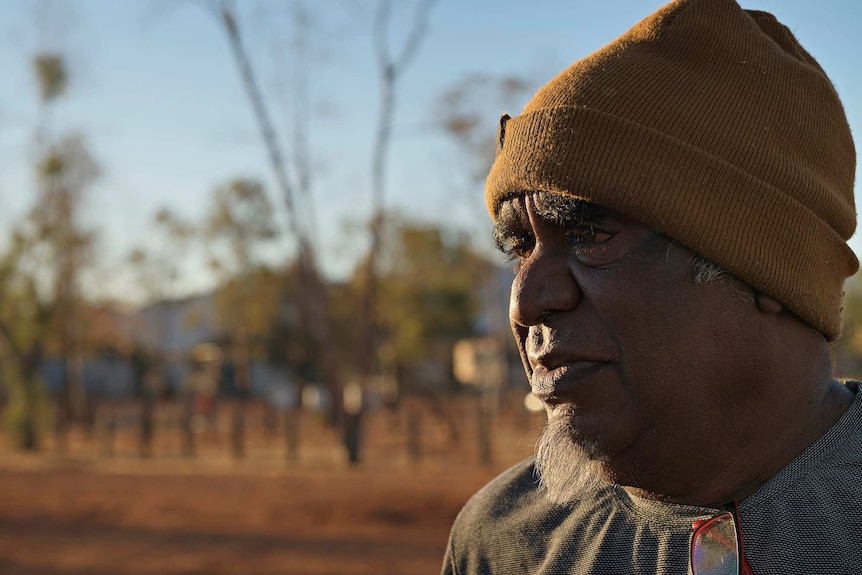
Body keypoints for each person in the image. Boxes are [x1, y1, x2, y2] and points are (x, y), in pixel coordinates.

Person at [442, 0, 862, 573]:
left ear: (766, 265)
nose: (527, 300)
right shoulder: (504, 544)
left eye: (590, 234)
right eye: (521, 248)